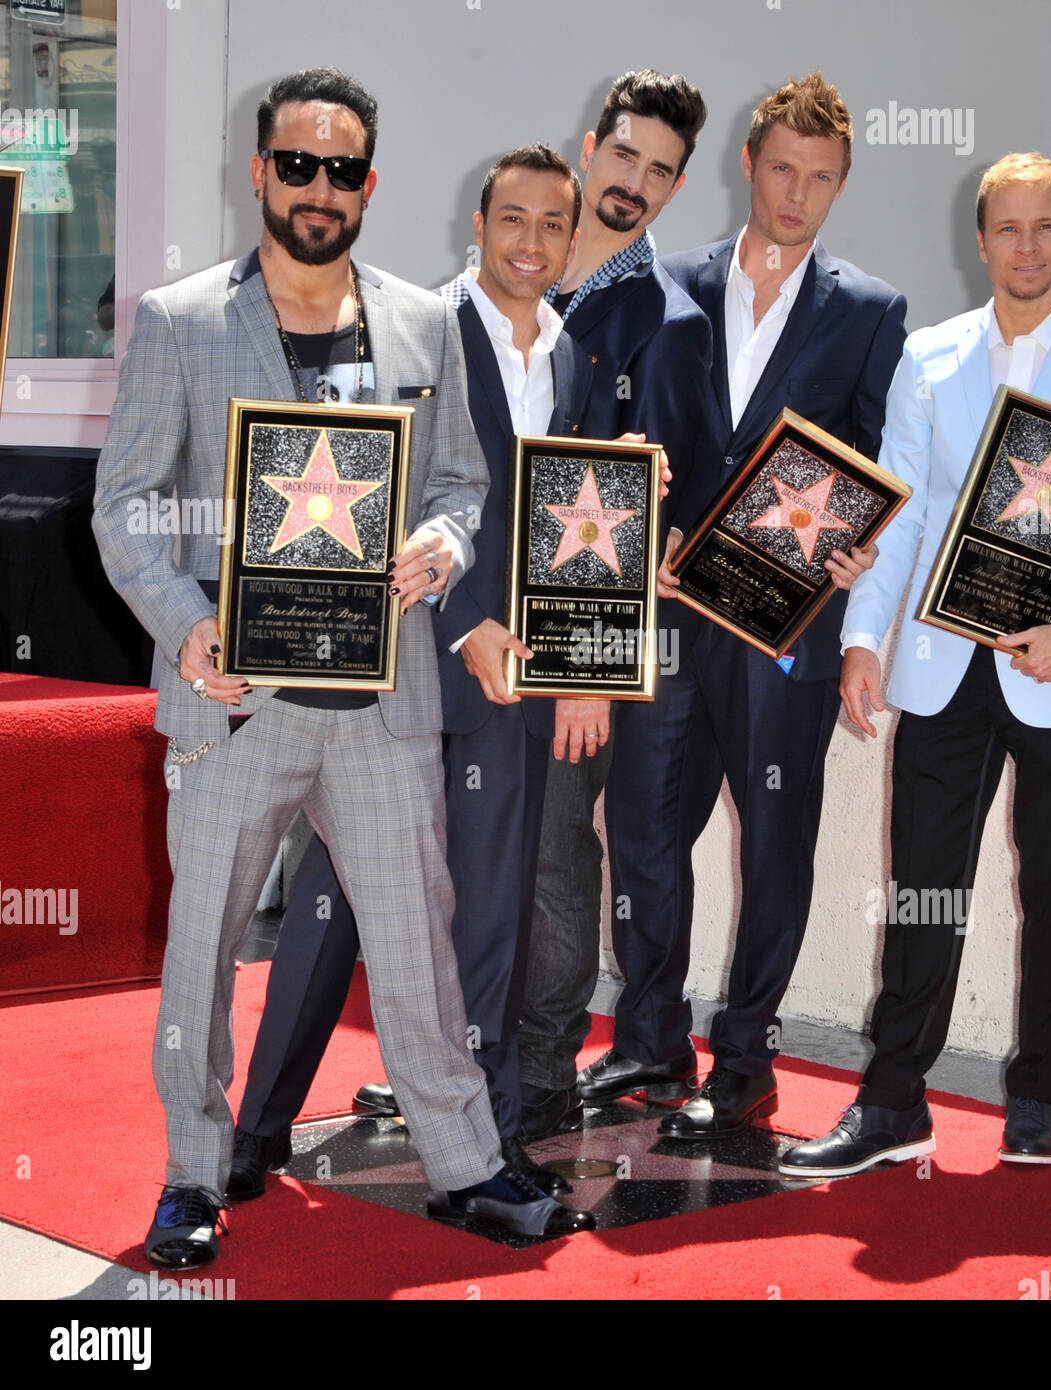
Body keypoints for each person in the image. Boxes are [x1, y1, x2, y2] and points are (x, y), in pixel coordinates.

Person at [92, 69, 591, 1268]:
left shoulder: (426, 322)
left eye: (342, 169)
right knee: (204, 949)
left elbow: (466, 481)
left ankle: (467, 1165)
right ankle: (191, 1176)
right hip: (233, 698)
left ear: (369, 183)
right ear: (259, 172)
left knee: (418, 947)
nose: (319, 189)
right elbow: (123, 511)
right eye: (297, 165)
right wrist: (185, 622)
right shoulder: (179, 320)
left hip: (381, 703)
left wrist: (448, 535)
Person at [227, 144, 615, 1199]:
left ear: (572, 240)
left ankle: (476, 1148)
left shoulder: (572, 356)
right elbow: (358, 492)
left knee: (484, 916)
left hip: (514, 691)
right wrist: (464, 621)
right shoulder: (402, 331)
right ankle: (256, 1126)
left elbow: (553, 516)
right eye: (513, 219)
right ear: (476, 224)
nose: (531, 241)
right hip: (409, 667)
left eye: (552, 225)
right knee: (325, 906)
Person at [778, 152, 1051, 1178]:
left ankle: (1035, 1093)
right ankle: (891, 1099)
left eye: (1046, 228)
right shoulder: (930, 356)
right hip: (940, 667)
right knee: (923, 889)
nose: (1027, 247)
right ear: (980, 238)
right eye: (1008, 228)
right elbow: (897, 513)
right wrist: (863, 639)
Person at [580, 72, 907, 1139]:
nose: (796, 194)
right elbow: (620, 437)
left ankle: (748, 1054)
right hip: (671, 614)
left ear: (841, 185)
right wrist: (641, 508)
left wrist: (854, 545)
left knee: (774, 839)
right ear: (747, 165)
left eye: (819, 179)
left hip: (783, 632)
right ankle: (647, 1038)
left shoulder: (867, 311)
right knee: (641, 826)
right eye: (781, 170)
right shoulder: (663, 286)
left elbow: (870, 458)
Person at [514, 70, 714, 1144]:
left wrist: (590, 659)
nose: (634, 180)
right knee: (484, 842)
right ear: (589, 144)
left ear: (678, 185)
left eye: (659, 168)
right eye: (624, 154)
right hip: (486, 621)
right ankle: (470, 1052)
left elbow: (651, 502)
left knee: (588, 844)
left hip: (593, 631)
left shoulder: (665, 319)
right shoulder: (516, 272)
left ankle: (592, 1057)